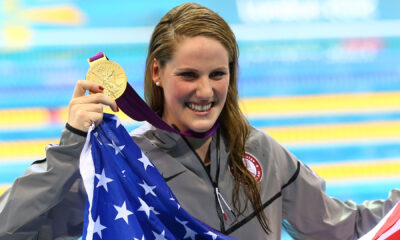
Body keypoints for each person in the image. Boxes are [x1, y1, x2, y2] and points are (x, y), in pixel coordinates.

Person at [0, 3, 399, 240]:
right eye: (188, 75)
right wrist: (70, 147)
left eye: (217, 75)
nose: (205, 92)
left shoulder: (261, 153)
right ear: (156, 72)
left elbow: (346, 230)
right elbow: (10, 227)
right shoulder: (123, 168)